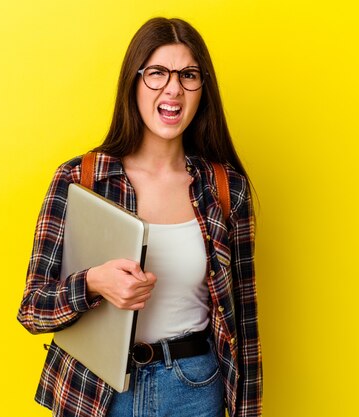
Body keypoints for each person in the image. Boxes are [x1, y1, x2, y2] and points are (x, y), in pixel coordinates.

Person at [17, 17, 262, 417]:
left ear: (203, 89)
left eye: (188, 75)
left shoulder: (224, 188)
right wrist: (94, 283)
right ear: (134, 82)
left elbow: (245, 325)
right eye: (157, 73)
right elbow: (32, 308)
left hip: (195, 389)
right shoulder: (81, 179)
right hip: (97, 392)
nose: (173, 88)